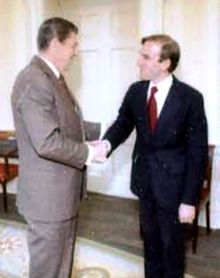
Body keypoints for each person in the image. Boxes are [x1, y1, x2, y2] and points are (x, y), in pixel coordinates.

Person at [102, 34, 208, 277]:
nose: (139, 62)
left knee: (172, 251)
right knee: (150, 247)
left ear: (165, 63)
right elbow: (122, 124)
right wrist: (105, 145)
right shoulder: (136, 92)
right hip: (145, 183)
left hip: (174, 189)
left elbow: (197, 153)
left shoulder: (190, 98)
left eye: (146, 57)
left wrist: (189, 200)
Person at [11, 17, 106, 278]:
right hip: (47, 201)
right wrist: (88, 153)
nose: (76, 52)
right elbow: (46, 142)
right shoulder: (34, 80)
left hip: (61, 197)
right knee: (47, 271)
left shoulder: (53, 78)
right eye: (73, 45)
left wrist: (88, 139)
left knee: (61, 267)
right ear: (55, 44)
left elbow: (62, 124)